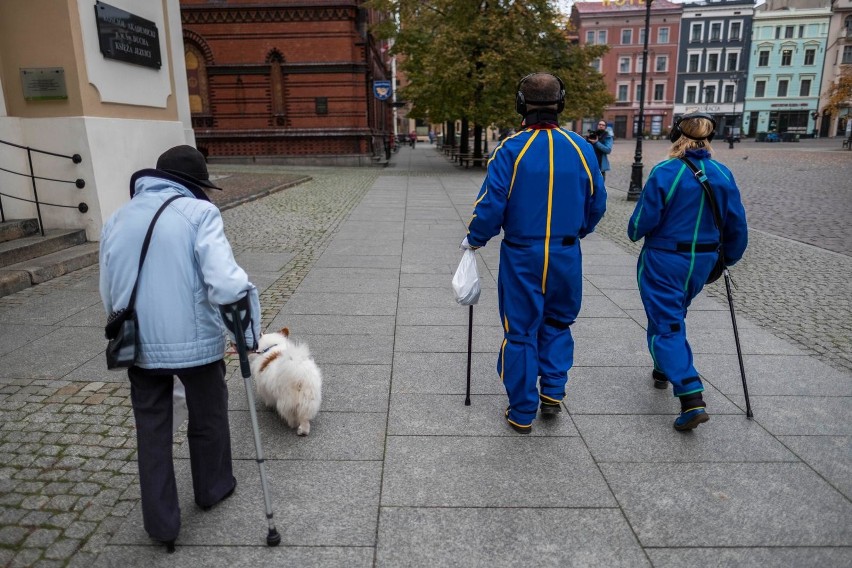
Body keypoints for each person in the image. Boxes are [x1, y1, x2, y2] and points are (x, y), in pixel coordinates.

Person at [99, 145, 261, 551]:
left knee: (151, 432)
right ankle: (213, 487)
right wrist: (247, 336)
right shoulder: (200, 214)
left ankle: (162, 526)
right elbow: (225, 284)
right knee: (207, 417)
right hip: (197, 345)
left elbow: (109, 287)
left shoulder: (116, 218)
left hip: (139, 344)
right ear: (193, 184)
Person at [462, 73, 607, 434]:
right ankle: (553, 392)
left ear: (520, 105)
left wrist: (474, 239)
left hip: (523, 254)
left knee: (521, 330)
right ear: (561, 103)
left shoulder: (511, 148)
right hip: (565, 253)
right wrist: (577, 232)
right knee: (558, 322)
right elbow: (598, 203)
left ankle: (522, 410)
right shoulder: (582, 148)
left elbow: (490, 206)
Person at [627, 113, 748, 431]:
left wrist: (634, 229)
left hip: (665, 259)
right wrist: (725, 261)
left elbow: (641, 224)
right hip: (702, 261)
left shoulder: (666, 172)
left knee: (666, 324)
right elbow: (737, 227)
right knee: (671, 314)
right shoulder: (723, 173)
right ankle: (661, 368)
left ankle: (691, 395)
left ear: (675, 137)